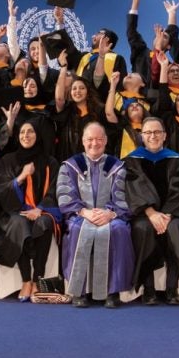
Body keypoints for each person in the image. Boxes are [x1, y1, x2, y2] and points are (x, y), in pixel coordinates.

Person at [57, 122, 133, 308]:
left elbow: (123, 196)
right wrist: (84, 212)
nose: (94, 143)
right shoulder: (70, 166)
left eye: (99, 139)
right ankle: (79, 291)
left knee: (119, 230)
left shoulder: (117, 166)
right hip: (81, 214)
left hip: (110, 215)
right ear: (83, 141)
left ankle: (112, 292)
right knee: (77, 229)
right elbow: (65, 195)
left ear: (106, 141)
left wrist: (110, 213)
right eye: (90, 139)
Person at [124, 116, 179, 305]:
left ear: (164, 135)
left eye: (157, 132)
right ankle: (149, 290)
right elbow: (133, 190)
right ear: (142, 136)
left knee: (177, 229)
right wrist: (151, 213)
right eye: (148, 132)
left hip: (173, 213)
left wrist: (167, 215)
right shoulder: (132, 160)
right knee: (143, 230)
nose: (153, 136)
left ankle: (172, 289)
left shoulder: (176, 160)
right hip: (144, 214)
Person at [0, 121, 62, 301]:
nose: (26, 135)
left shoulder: (50, 162)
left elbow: (56, 189)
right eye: (22, 132)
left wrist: (40, 208)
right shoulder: (8, 160)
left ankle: (37, 279)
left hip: (42, 210)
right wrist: (22, 177)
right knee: (19, 223)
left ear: (37, 135)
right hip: (15, 211)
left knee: (45, 223)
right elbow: (2, 189)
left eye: (30, 131)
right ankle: (26, 280)